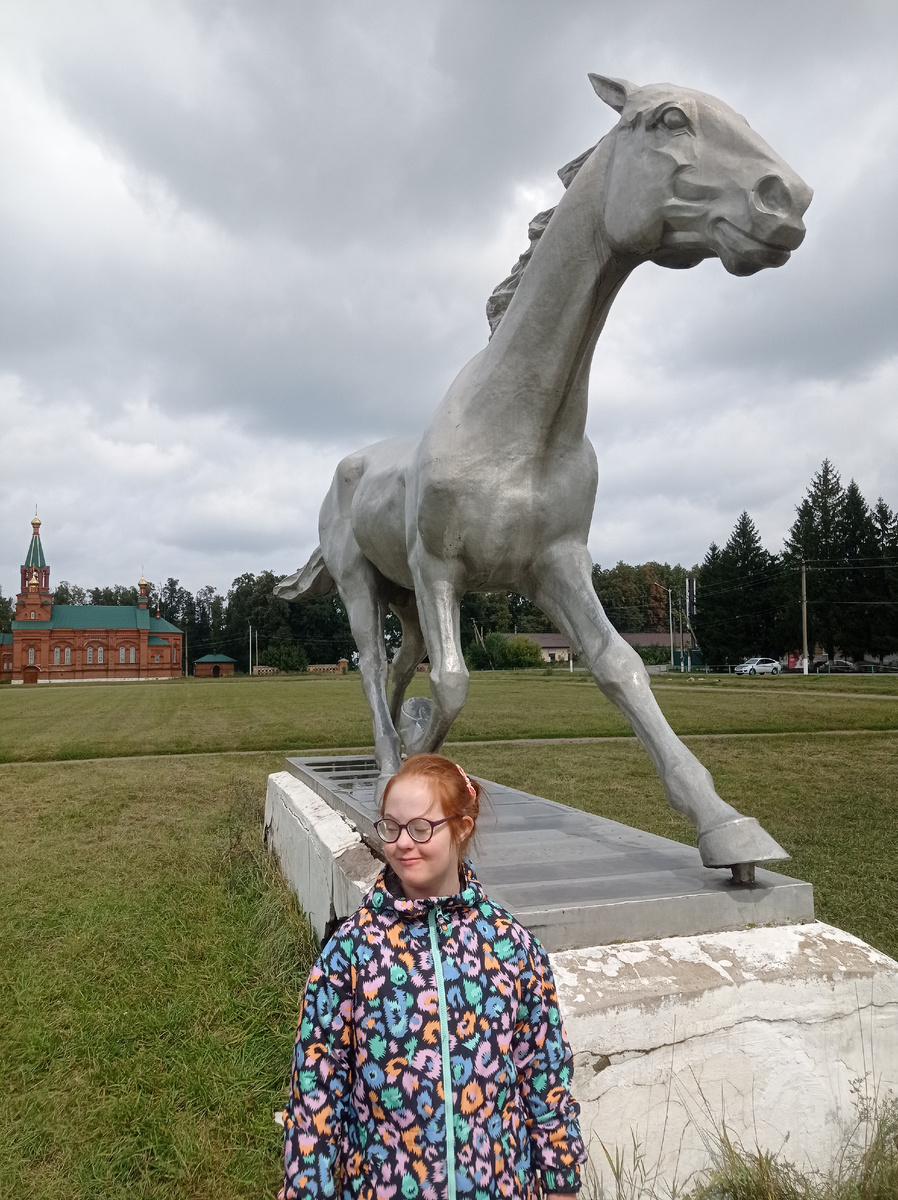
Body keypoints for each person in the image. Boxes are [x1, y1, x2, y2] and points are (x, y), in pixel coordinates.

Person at [279, 753, 585, 1200]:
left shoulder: (510, 945)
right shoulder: (351, 951)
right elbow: (317, 1088)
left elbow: (544, 1074)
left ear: (462, 828)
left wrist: (561, 1182)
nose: (404, 843)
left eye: (421, 828)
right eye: (391, 827)